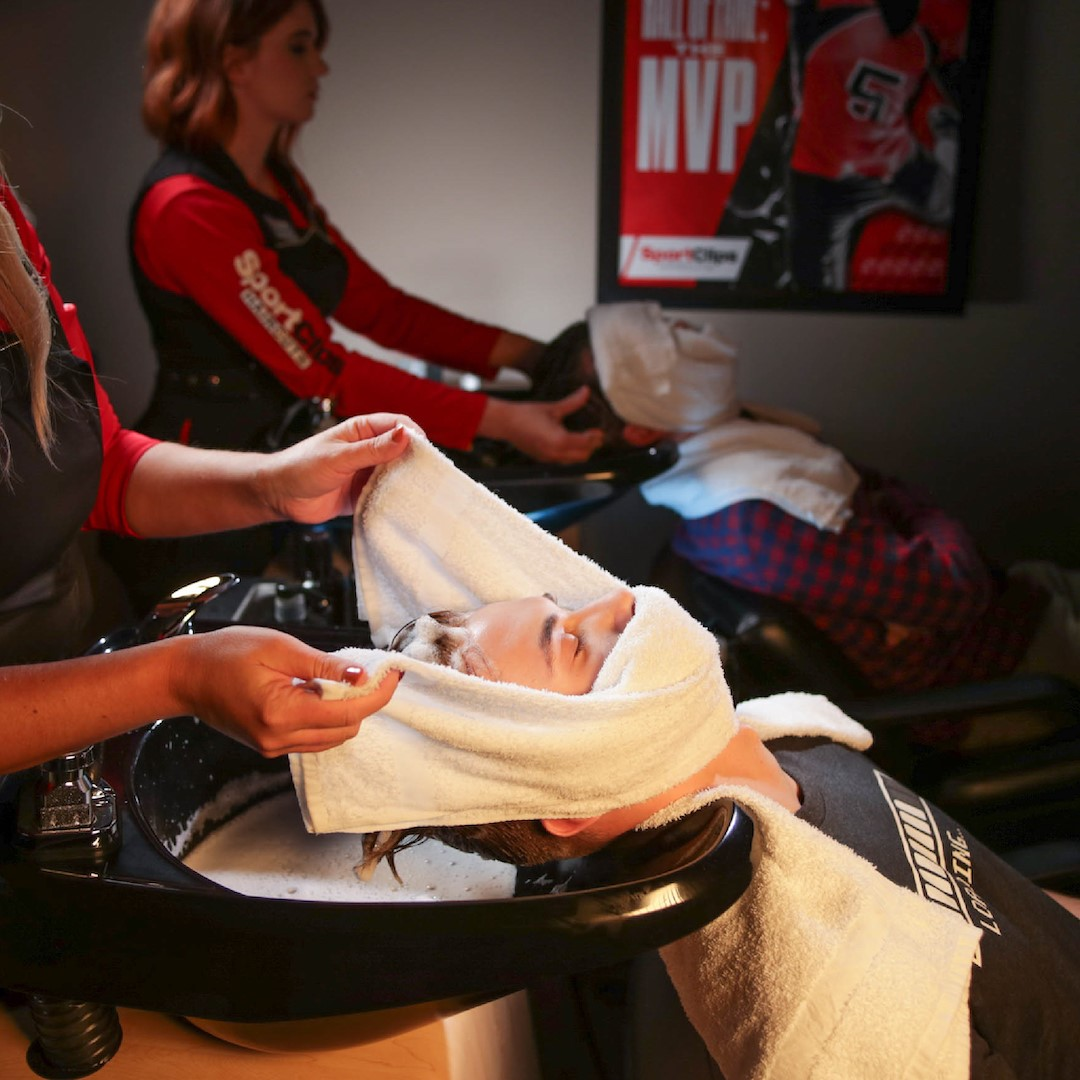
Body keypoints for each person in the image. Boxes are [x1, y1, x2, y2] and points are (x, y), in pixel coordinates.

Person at [371, 587, 1080, 1078]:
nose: (620, 603)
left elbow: (995, 912)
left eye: (567, 608)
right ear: (572, 793)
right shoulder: (823, 1002)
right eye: (572, 644)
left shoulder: (786, 737)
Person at [0, 173, 405, 774]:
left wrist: (276, 484)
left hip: (62, 682)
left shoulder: (7, 220)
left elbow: (101, 468)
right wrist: (178, 677)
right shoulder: (186, 206)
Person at [130, 0, 601, 464]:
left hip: (269, 461)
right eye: (298, 47)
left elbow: (383, 310)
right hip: (203, 478)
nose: (320, 67)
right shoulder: (189, 207)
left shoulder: (278, 185)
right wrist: (505, 421)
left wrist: (538, 357)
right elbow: (327, 372)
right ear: (235, 62)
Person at [527, 315, 1080, 699]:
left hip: (1018, 599)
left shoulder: (751, 447)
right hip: (1006, 660)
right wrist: (900, 501)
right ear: (643, 429)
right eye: (655, 348)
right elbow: (960, 588)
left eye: (665, 323)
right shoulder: (754, 520)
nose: (688, 331)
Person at [784, 0, 968, 291]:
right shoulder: (921, 42)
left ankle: (946, 134)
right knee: (948, 206)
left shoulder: (834, 24)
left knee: (813, 286)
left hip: (835, 173)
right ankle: (946, 134)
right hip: (887, 163)